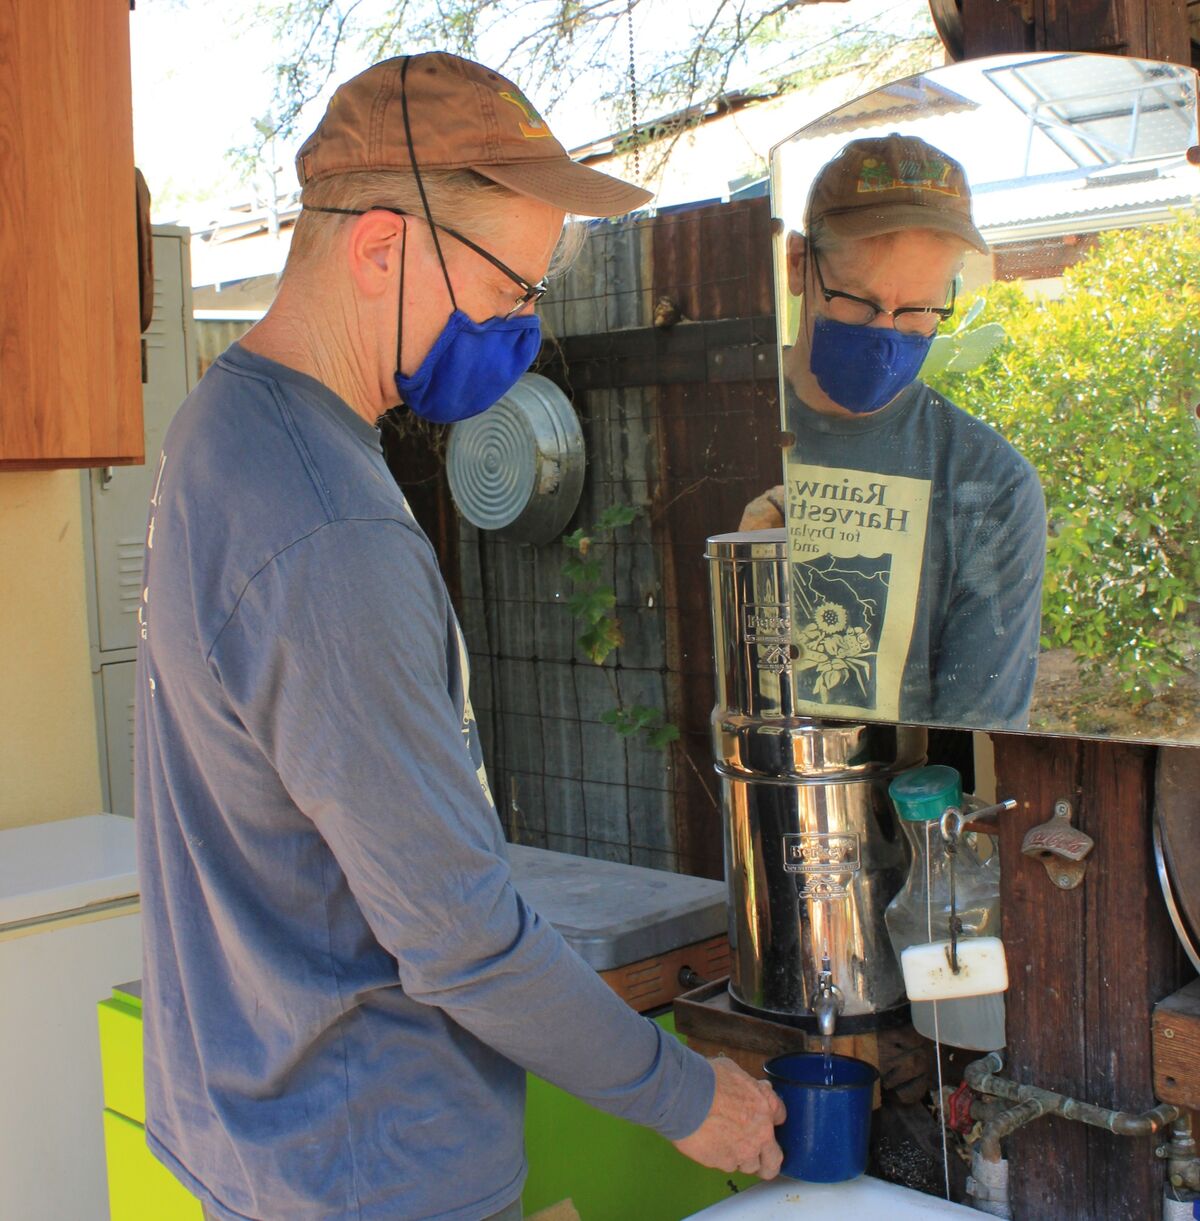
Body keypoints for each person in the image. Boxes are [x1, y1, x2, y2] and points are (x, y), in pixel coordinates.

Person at [135, 52, 783, 1221]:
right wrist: (687, 1097)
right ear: (381, 247)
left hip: (267, 1135)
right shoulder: (328, 527)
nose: (523, 333)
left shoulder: (220, 425)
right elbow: (462, 942)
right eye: (510, 291)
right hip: (371, 1168)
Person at [742, 134, 1045, 730]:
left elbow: (975, 740)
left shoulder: (988, 484)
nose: (886, 333)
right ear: (800, 264)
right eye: (859, 300)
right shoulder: (722, 420)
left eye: (919, 309)